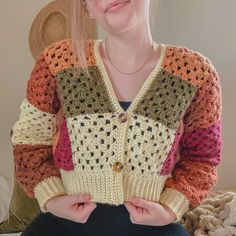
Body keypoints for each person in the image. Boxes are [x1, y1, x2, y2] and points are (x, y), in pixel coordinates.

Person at [10, 0, 223, 235]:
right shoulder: (58, 63)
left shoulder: (194, 73)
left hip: (154, 228)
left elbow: (203, 158)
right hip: (61, 226)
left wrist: (172, 206)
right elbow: (29, 140)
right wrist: (50, 196)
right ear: (87, 9)